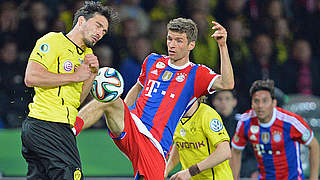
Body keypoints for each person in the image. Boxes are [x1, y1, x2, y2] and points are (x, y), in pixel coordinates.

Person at [78, 18, 234, 179]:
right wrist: (124, 113)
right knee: (109, 99)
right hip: (134, 127)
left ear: (191, 45)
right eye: (170, 39)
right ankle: (69, 131)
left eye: (179, 41)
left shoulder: (197, 74)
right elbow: (138, 87)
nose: (172, 45)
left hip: (155, 145)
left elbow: (228, 83)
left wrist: (222, 46)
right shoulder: (153, 60)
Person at [21, 2, 118, 179]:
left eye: (104, 31)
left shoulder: (87, 55)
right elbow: (31, 77)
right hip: (47, 124)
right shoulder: (52, 40)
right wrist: (75, 75)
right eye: (98, 26)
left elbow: (76, 101)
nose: (100, 33)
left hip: (57, 126)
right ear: (81, 21)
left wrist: (91, 74)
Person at [230, 79, 320, 180]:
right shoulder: (245, 121)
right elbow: (235, 151)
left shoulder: (291, 122)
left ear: (274, 103)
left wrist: (314, 178)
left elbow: (314, 145)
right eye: (256, 101)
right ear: (252, 103)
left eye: (265, 101)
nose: (260, 106)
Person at [164, 97, 233, 179]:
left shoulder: (207, 114)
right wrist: (165, 171)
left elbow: (224, 152)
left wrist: (190, 172)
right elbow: (180, 143)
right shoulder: (176, 115)